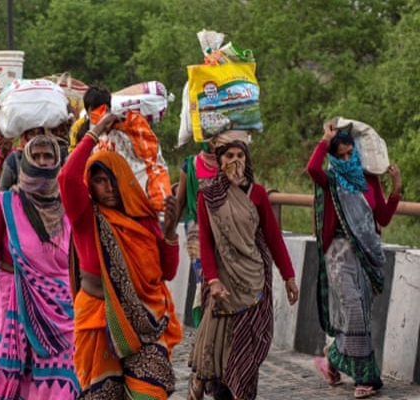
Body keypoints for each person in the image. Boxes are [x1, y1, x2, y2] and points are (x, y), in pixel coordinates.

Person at [59, 113, 182, 400]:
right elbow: (66, 177)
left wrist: (171, 233)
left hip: (144, 322)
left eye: (113, 180)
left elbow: (168, 273)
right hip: (98, 320)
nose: (108, 188)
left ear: (126, 181)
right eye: (100, 181)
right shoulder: (87, 217)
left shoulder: (144, 220)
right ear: (91, 185)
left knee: (150, 392)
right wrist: (97, 131)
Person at [187, 132, 300, 400]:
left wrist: (289, 277)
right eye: (229, 156)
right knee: (223, 350)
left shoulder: (257, 193)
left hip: (254, 282)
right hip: (223, 286)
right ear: (219, 160)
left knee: (250, 347)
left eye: (240, 156)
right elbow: (206, 243)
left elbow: (273, 238)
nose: (235, 160)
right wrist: (212, 280)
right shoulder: (209, 197)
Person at [0, 135, 79, 400]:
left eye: (49, 157)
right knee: (17, 372)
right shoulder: (7, 202)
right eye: (38, 156)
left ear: (57, 162)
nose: (43, 163)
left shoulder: (68, 203)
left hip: (61, 304)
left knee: (63, 371)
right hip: (13, 297)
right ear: (27, 161)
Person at [307, 123, 402, 399]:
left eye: (351, 154)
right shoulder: (331, 180)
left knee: (358, 314)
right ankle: (366, 378)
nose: (347, 160)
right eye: (341, 155)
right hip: (339, 253)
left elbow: (382, 217)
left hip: (366, 255)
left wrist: (396, 187)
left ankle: (332, 358)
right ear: (334, 157)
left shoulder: (368, 181)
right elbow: (312, 169)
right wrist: (325, 139)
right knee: (355, 312)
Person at [175, 142, 218, 326]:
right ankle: (204, 325)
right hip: (196, 231)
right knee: (205, 279)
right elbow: (180, 202)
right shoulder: (190, 165)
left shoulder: (230, 163)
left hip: (223, 229)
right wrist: (168, 235)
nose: (214, 142)